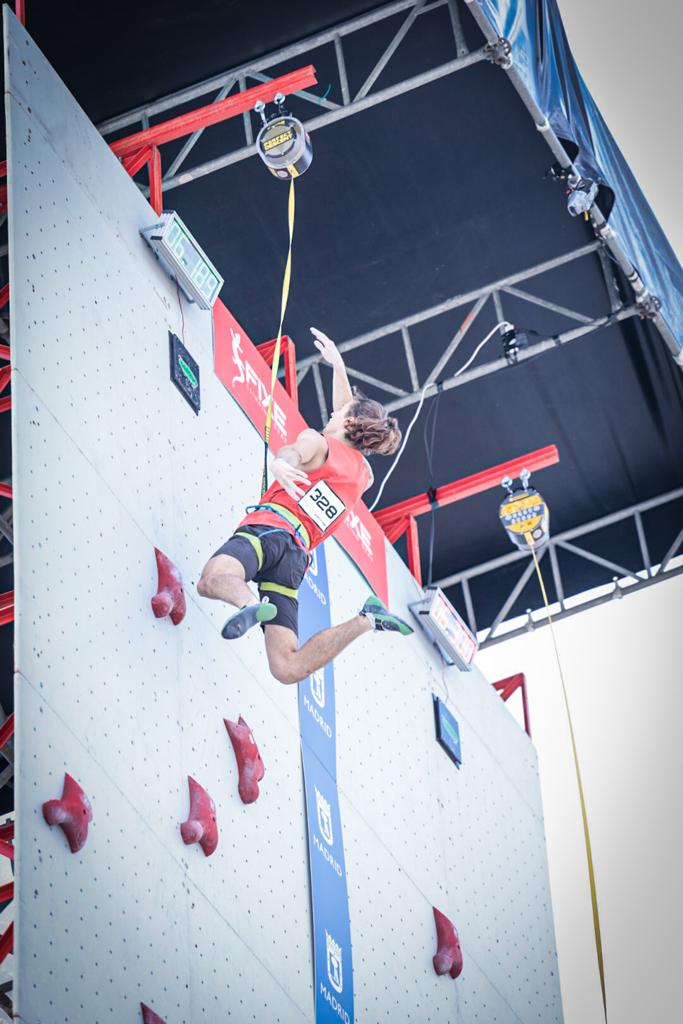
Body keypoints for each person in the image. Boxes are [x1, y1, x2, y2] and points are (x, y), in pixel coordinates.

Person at [198, 327, 413, 685]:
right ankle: (366, 621)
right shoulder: (364, 476)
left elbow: (295, 451)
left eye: (339, 413)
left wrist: (282, 463)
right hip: (295, 559)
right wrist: (338, 368)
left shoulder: (317, 440)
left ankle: (247, 603)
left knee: (212, 580)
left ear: (348, 421)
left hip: (271, 531)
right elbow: (347, 413)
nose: (331, 413)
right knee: (287, 668)